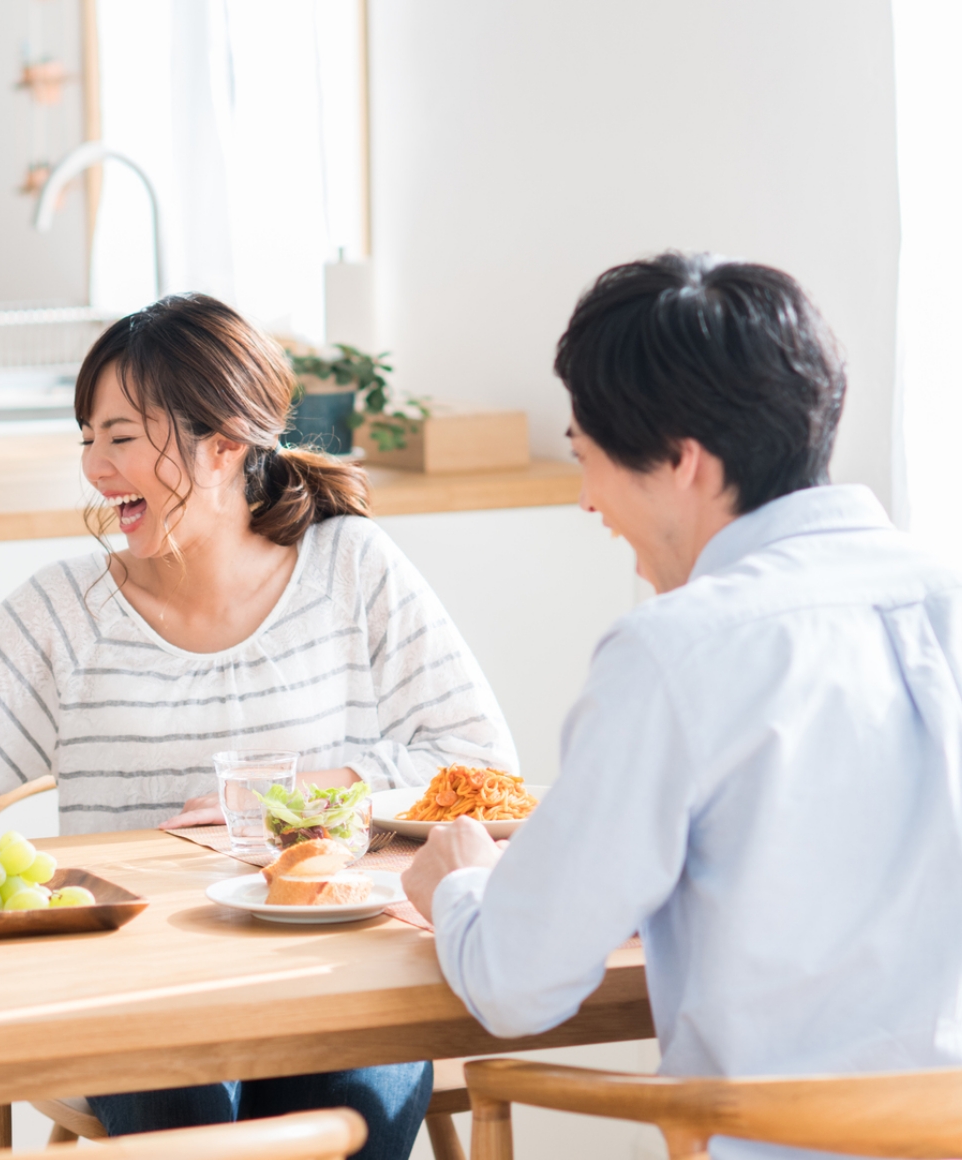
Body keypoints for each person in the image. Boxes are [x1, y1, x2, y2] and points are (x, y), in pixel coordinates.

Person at [0, 294, 519, 1160]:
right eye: (87, 438)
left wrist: (307, 793)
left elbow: (479, 763)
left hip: (328, 971)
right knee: (184, 1104)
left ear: (223, 447)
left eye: (120, 438)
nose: (95, 466)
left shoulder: (353, 567)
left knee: (352, 1092)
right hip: (136, 997)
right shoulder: (63, 616)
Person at [402, 253, 962, 1160]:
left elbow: (517, 983)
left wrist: (459, 883)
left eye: (589, 459)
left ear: (682, 462)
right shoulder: (945, 595)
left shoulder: (678, 650)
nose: (587, 500)